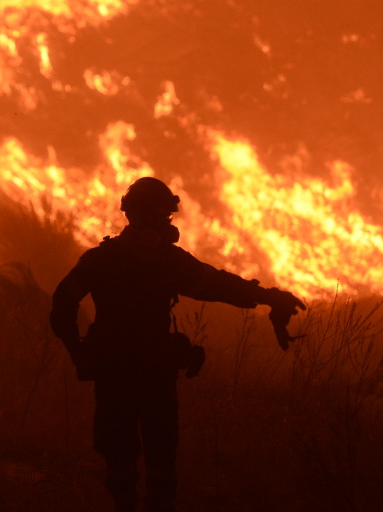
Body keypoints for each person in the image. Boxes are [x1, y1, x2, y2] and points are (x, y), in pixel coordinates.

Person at [50, 176, 306, 512]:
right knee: (120, 459)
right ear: (135, 216)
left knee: (162, 461)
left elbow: (217, 285)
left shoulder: (168, 262)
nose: (163, 224)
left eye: (166, 217)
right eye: (156, 215)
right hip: (118, 372)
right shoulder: (103, 261)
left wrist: (269, 297)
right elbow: (62, 304)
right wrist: (77, 350)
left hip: (154, 371)